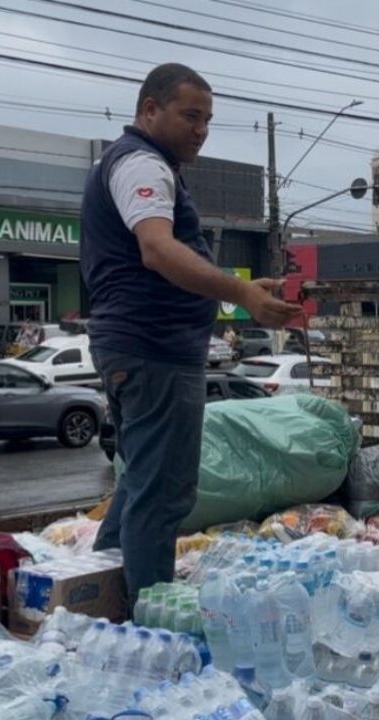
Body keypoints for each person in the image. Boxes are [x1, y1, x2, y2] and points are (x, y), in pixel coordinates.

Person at [80, 63, 301, 601]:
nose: (200, 129)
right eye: (189, 116)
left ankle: (97, 594)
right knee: (164, 494)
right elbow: (157, 249)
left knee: (139, 477)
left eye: (207, 119)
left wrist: (240, 291)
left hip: (138, 345)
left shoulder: (141, 164)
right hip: (152, 349)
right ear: (149, 110)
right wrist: (242, 294)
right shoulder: (141, 165)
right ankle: (152, 621)